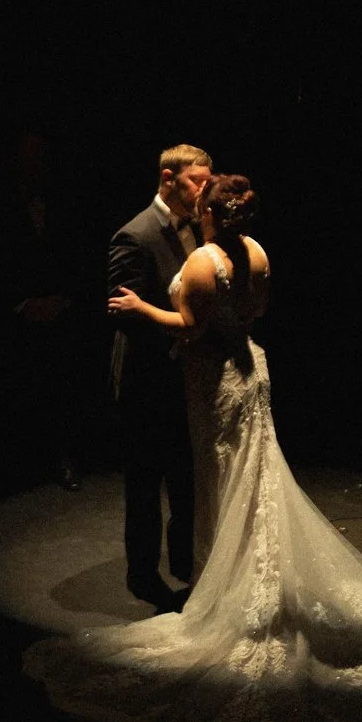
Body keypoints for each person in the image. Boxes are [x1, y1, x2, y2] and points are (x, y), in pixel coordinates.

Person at [25, 174, 362, 722]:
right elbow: (255, 310)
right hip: (250, 370)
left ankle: (229, 586)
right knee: (254, 474)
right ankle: (242, 574)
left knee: (224, 479)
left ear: (210, 215)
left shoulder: (207, 260)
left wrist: (142, 306)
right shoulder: (256, 253)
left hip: (213, 381)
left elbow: (190, 326)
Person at [102, 144, 211, 610]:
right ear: (169, 179)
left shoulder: (199, 228)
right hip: (147, 379)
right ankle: (142, 575)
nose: (205, 189)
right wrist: (181, 328)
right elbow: (123, 314)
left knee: (186, 480)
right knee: (145, 484)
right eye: (196, 181)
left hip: (183, 375)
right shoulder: (135, 235)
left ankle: (186, 566)